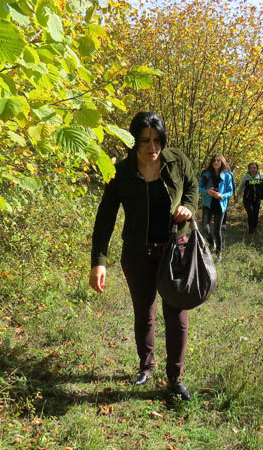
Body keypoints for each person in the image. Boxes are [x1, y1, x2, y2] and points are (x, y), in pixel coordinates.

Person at [89, 112, 197, 400]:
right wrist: (99, 261)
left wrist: (188, 206)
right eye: (145, 141)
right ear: (134, 141)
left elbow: (192, 187)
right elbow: (105, 217)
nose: (153, 148)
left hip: (174, 252)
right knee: (144, 313)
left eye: (158, 140)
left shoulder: (177, 161)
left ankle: (175, 377)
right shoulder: (122, 173)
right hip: (137, 253)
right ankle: (146, 366)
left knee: (176, 314)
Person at [199, 154, 234, 256]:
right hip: (208, 204)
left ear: (222, 162)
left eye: (218, 161)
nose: (216, 162)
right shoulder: (206, 174)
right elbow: (198, 187)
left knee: (217, 231)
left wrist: (221, 195)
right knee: (205, 228)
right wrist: (207, 191)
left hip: (220, 205)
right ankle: (212, 243)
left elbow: (230, 191)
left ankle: (219, 253)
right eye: (214, 160)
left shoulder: (227, 176)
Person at [237, 162, 263, 234]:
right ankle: (251, 229)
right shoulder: (246, 177)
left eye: (254, 168)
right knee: (250, 213)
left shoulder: (261, 176)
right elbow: (241, 187)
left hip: (257, 199)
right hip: (247, 199)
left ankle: (254, 227)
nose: (252, 169)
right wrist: (237, 196)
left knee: (256, 213)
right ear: (248, 169)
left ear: (257, 169)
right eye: (251, 168)